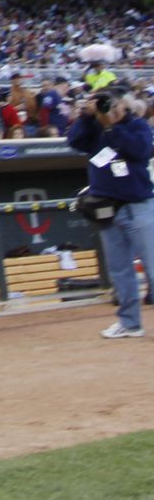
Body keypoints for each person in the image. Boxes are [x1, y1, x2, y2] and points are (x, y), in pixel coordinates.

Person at [68, 89, 154, 338]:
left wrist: (112, 126)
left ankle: (130, 322)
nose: (105, 109)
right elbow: (74, 142)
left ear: (122, 105)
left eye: (108, 104)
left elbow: (139, 151)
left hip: (138, 206)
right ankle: (130, 323)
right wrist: (85, 116)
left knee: (152, 265)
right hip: (107, 209)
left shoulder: (137, 126)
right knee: (120, 269)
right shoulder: (94, 128)